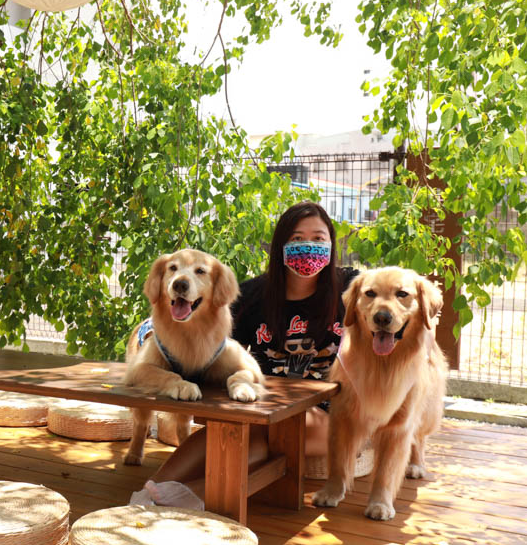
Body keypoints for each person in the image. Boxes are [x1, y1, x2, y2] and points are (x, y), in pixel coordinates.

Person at [130, 201, 359, 509]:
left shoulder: (352, 288)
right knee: (237, 428)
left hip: (329, 414)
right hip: (265, 405)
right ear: (280, 246)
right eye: (296, 239)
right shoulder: (255, 295)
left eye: (318, 239)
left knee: (261, 431)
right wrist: (154, 335)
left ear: (332, 243)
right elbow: (206, 335)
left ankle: (181, 494)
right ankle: (152, 490)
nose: (308, 246)